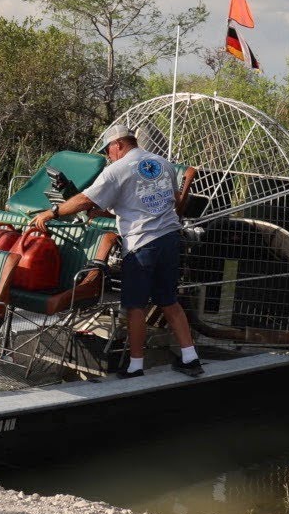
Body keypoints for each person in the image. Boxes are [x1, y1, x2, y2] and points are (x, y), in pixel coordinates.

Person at [31, 124, 202, 379]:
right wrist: (107, 211)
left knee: (134, 306)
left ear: (118, 145)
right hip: (169, 239)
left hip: (141, 243)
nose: (107, 156)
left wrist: (52, 212)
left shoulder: (117, 169)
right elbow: (166, 201)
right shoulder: (163, 163)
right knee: (169, 300)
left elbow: (84, 200)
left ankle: (135, 366)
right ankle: (191, 358)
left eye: (107, 151)